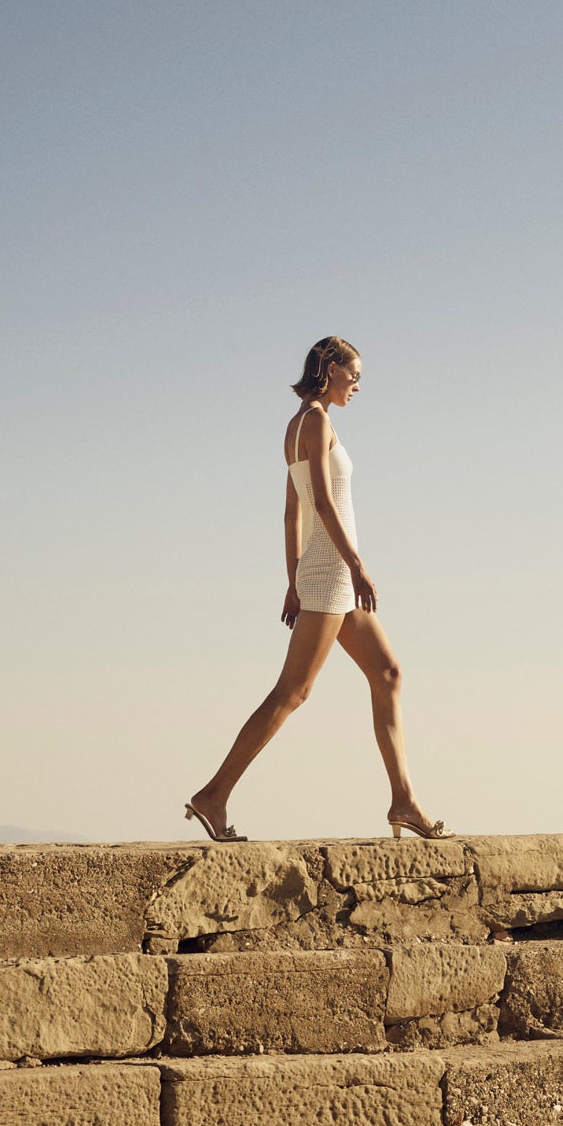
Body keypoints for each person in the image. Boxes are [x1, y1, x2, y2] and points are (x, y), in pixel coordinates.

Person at [186, 336, 445, 843]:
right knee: (293, 691)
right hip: (332, 573)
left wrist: (291, 581)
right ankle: (213, 795)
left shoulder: (297, 426)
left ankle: (403, 800)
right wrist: (356, 564)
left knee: (387, 673)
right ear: (329, 369)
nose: (358, 385)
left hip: (326, 575)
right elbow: (320, 503)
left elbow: (292, 509)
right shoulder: (317, 422)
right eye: (354, 375)